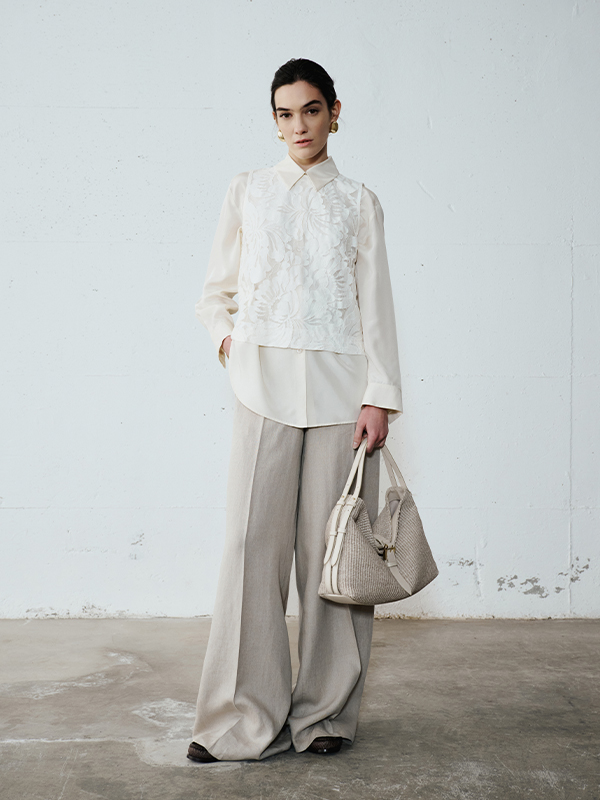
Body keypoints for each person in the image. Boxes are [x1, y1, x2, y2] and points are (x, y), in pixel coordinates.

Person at [187, 58, 403, 763]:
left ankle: (326, 715)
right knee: (251, 547)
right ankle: (238, 719)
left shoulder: (360, 202)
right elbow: (214, 293)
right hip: (262, 389)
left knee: (332, 553)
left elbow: (377, 306)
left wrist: (380, 396)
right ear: (274, 121)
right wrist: (230, 344)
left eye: (311, 110)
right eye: (285, 114)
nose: (299, 126)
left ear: (335, 112)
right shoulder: (246, 191)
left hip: (343, 396)